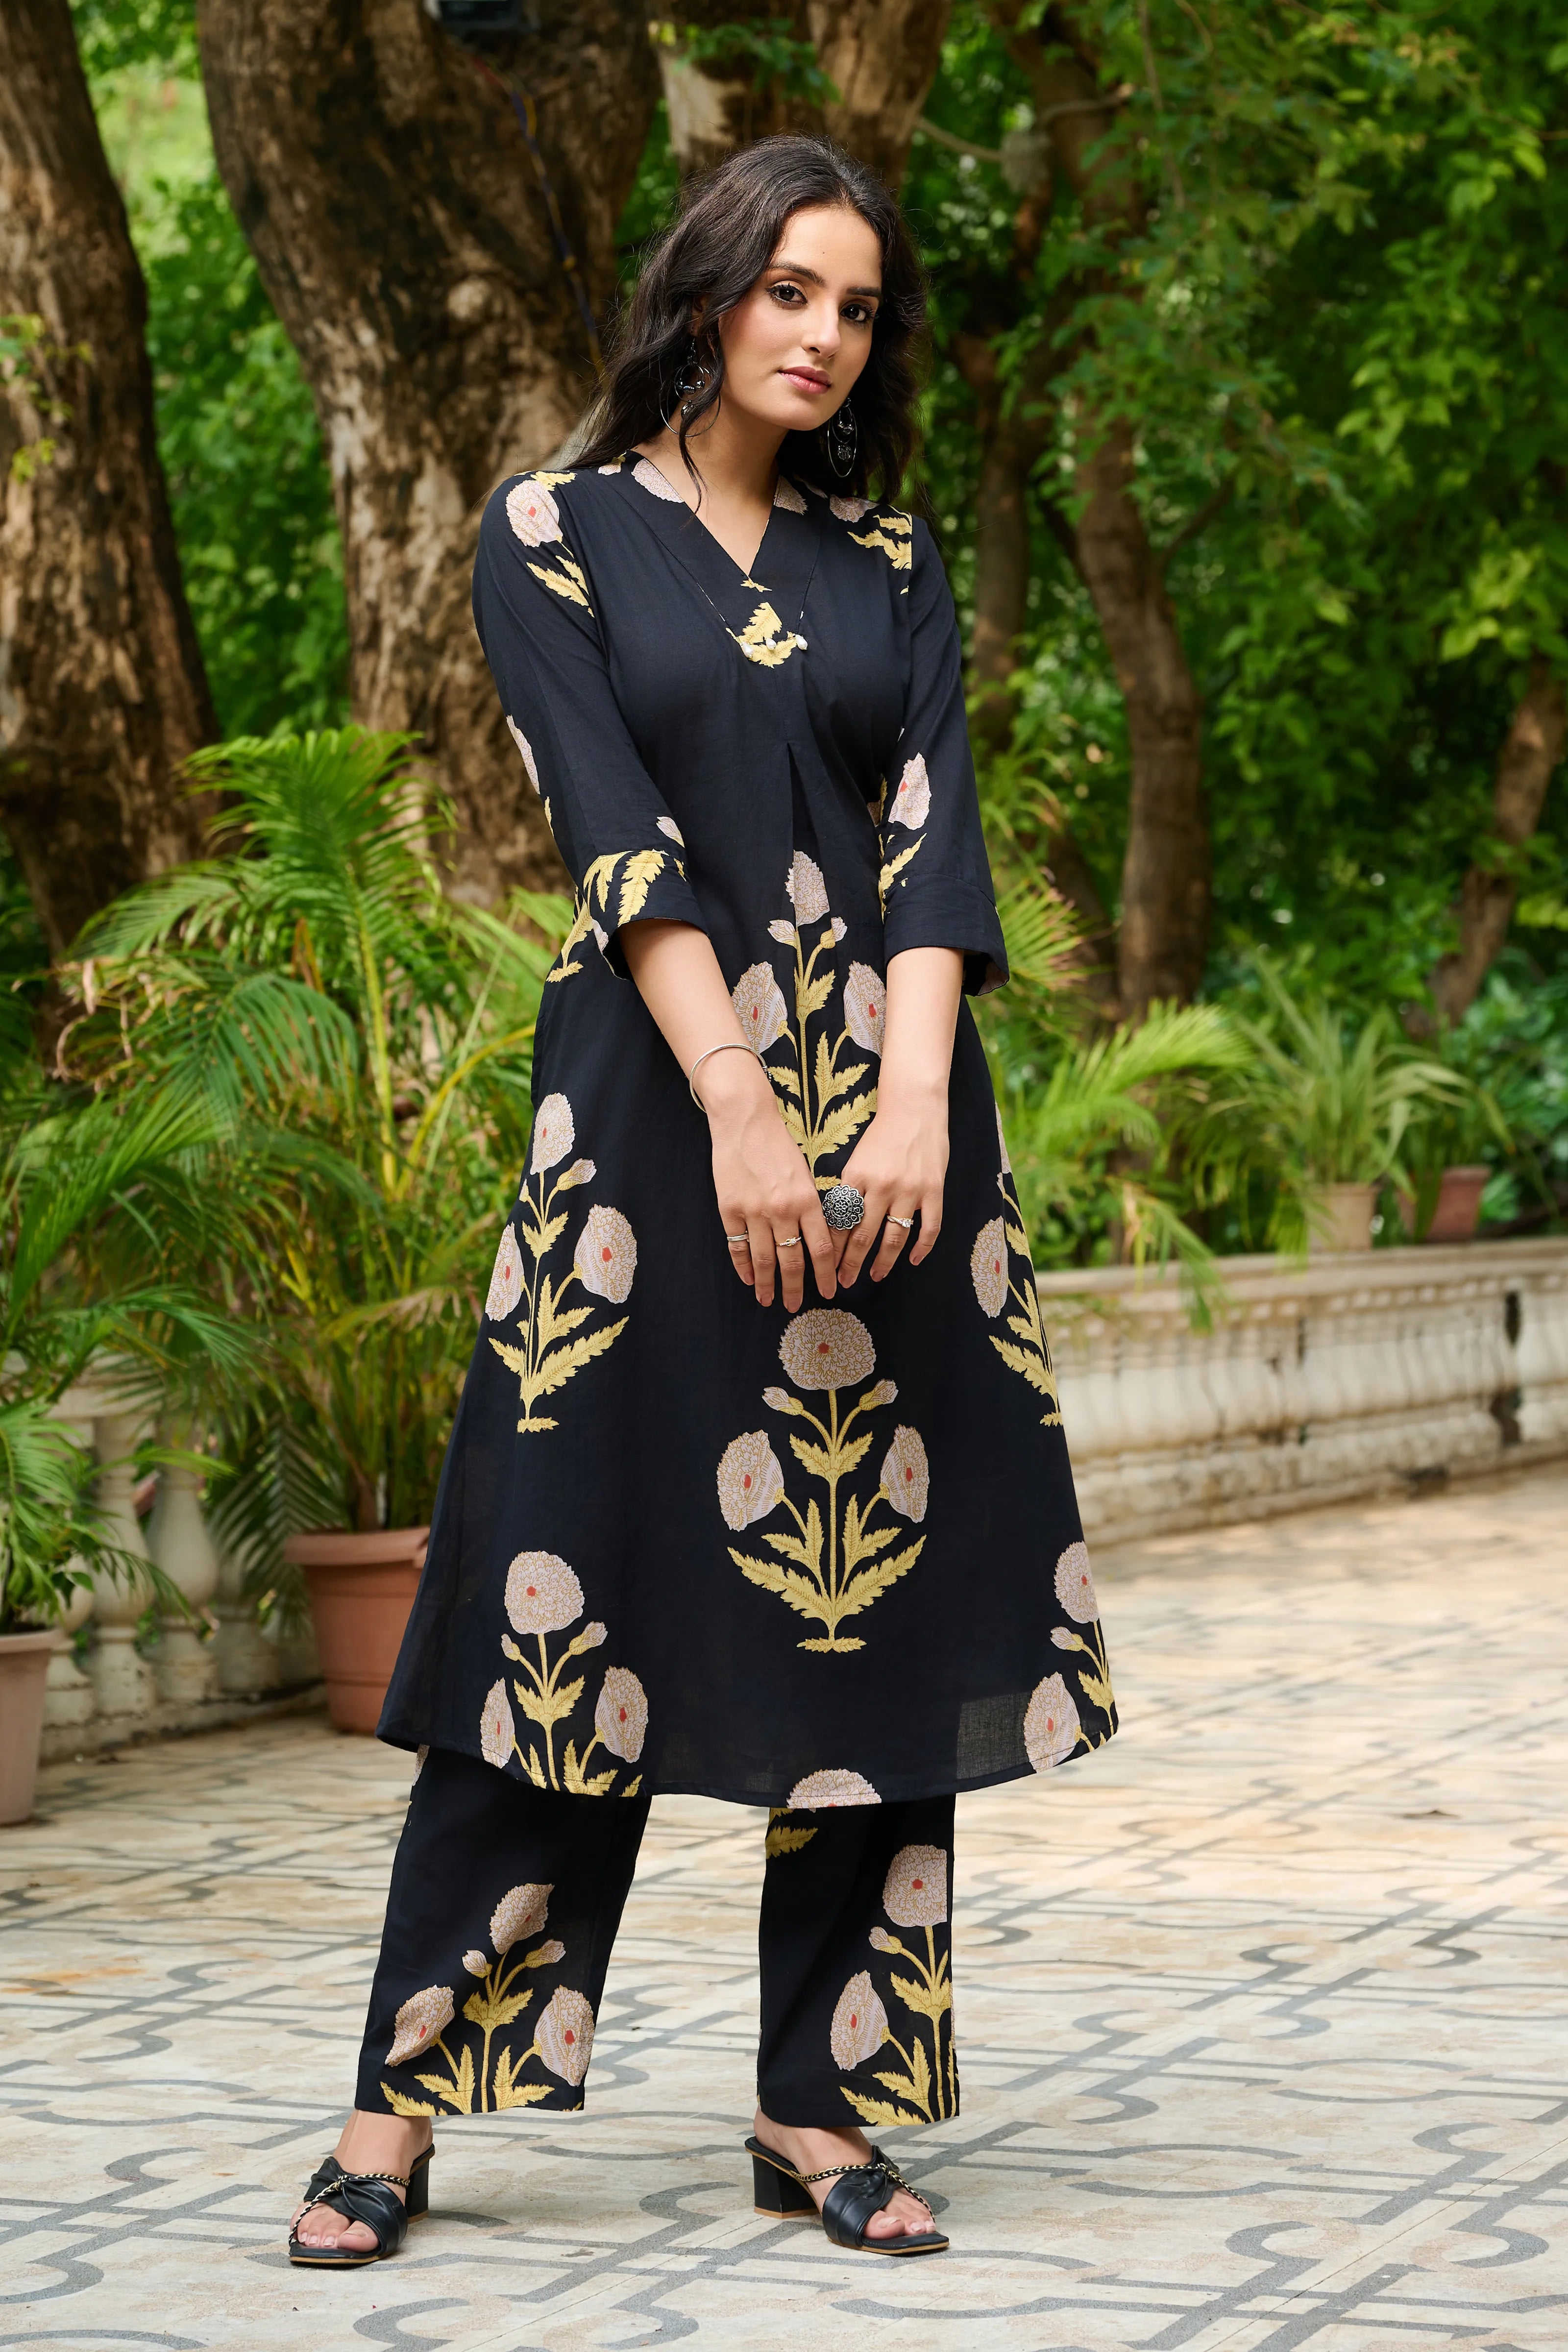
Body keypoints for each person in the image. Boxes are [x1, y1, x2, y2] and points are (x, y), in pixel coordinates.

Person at [289, 131, 1116, 2271]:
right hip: (650, 1141)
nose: (822, 335)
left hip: (896, 1147)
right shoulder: (552, 535)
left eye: (858, 307)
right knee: (560, 1602)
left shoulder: (890, 558)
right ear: (710, 291)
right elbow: (616, 839)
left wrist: (913, 1111)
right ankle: (401, 2105)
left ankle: (817, 2105)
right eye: (790, 291)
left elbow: (931, 842)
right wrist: (744, 1106)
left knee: (868, 1602)